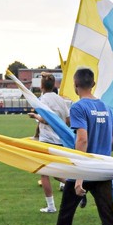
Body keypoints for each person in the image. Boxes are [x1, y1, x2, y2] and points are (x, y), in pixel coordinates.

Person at [36, 68, 113, 225]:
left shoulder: (79, 107)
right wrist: (103, 155)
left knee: (67, 211)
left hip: (85, 170)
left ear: (75, 85)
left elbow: (82, 139)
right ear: (92, 84)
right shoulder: (105, 107)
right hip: (102, 170)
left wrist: (79, 178)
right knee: (108, 218)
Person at [28, 72, 70, 213]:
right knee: (57, 171)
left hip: (47, 140)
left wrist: (35, 116)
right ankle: (75, 187)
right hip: (60, 140)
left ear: (41, 86)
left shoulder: (42, 101)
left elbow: (45, 120)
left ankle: (51, 206)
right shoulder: (61, 100)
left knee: (44, 172)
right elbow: (68, 121)